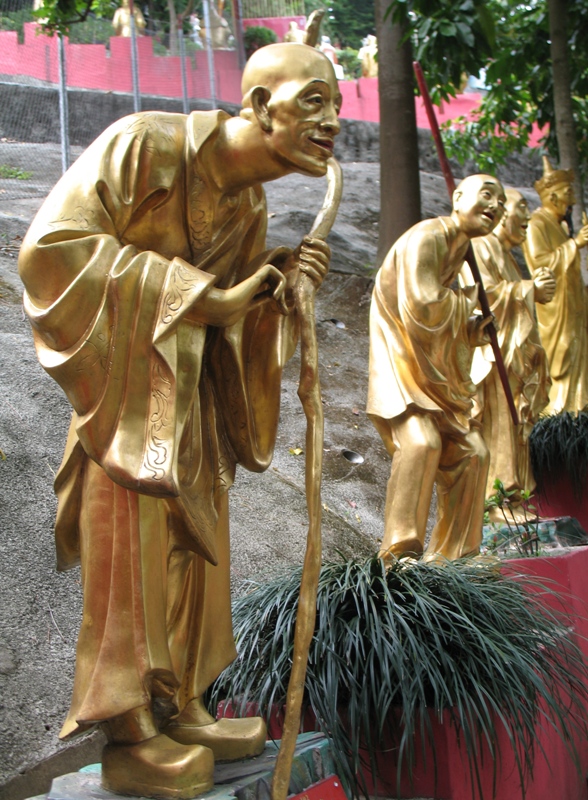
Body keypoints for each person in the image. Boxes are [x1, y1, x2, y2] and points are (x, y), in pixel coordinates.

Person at [18, 43, 341, 800]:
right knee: (132, 551)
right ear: (259, 105)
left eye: (336, 104)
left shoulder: (249, 204)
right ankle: (130, 726)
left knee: (197, 552)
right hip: (129, 405)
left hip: (194, 410)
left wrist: (274, 300)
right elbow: (49, 250)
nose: (334, 122)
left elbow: (236, 331)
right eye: (314, 101)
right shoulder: (146, 146)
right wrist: (206, 297)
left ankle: (185, 700)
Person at [367, 175, 505, 561]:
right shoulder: (428, 236)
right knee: (421, 443)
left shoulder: (462, 250)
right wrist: (468, 300)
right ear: (458, 197)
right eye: (488, 196)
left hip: (434, 370)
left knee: (473, 452)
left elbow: (443, 319)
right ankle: (398, 554)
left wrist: (471, 329)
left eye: (502, 204)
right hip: (403, 363)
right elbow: (423, 305)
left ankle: (456, 555)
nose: (496, 207)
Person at [462, 189, 553, 519]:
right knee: (499, 425)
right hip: (494, 355)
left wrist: (530, 288)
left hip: (515, 355)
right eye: (522, 207)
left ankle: (513, 498)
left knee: (515, 429)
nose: (527, 217)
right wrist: (530, 290)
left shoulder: (506, 255)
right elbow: (480, 296)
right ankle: (496, 499)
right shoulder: (481, 246)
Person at [523, 156, 588, 414]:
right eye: (567, 194)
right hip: (555, 307)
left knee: (579, 353)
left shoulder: (559, 225)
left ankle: (578, 406)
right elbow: (540, 264)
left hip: (573, 303)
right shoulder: (536, 224)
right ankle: (559, 411)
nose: (571, 200)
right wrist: (575, 244)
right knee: (563, 356)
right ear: (552, 196)